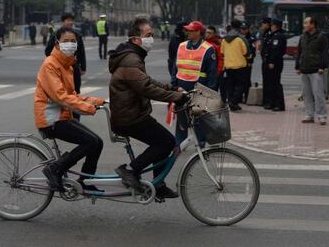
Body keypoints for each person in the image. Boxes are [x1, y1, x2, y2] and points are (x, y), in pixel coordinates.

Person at [109, 18, 188, 198]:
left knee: (163, 141)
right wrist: (177, 97)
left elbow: (146, 81)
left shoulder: (133, 56)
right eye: (148, 35)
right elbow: (146, 88)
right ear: (136, 39)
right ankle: (130, 170)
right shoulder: (131, 59)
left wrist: (171, 89)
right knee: (166, 141)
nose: (151, 39)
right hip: (129, 118)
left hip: (134, 114)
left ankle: (157, 184)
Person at [34, 26, 105, 192]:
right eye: (66, 41)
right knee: (90, 141)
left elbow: (73, 95)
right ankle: (55, 169)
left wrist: (99, 101)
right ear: (57, 43)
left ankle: (85, 181)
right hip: (50, 119)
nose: (70, 44)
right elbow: (60, 97)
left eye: (73, 41)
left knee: (98, 142)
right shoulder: (50, 65)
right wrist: (88, 108)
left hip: (62, 116)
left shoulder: (68, 65)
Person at [172, 21, 218, 146]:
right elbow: (175, 68)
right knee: (181, 117)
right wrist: (174, 85)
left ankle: (201, 142)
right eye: (187, 30)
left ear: (198, 32)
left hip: (199, 89)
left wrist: (209, 93)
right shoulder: (181, 46)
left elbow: (212, 73)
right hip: (181, 88)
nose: (188, 32)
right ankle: (180, 143)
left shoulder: (208, 49)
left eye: (191, 30)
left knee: (198, 117)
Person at [295, 16, 329, 125]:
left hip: (316, 69)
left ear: (313, 25)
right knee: (306, 94)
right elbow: (299, 52)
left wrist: (322, 67)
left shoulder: (321, 37)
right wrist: (297, 66)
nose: (304, 25)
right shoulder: (303, 37)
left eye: (306, 23)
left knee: (318, 94)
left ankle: (322, 115)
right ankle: (309, 115)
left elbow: (325, 53)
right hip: (304, 69)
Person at [45, 13, 87, 98]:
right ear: (63, 22)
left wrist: (83, 67)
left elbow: (81, 52)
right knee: (61, 90)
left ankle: (74, 109)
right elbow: (48, 50)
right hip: (60, 66)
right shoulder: (56, 35)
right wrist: (57, 58)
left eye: (72, 20)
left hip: (73, 65)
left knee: (75, 91)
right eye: (68, 20)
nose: (70, 22)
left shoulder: (77, 35)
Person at [221, 19, 249, 111]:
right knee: (242, 85)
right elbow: (246, 52)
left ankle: (233, 103)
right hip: (240, 66)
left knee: (231, 86)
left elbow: (222, 52)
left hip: (228, 66)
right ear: (240, 27)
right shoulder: (241, 39)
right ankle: (233, 101)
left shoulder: (224, 39)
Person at [262, 18, 287, 111]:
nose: (270, 27)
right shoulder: (272, 35)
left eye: (272, 25)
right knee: (271, 83)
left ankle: (279, 104)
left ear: (275, 26)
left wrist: (272, 61)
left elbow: (275, 50)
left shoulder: (278, 36)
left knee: (275, 83)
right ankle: (272, 102)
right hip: (270, 62)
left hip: (275, 63)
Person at [240, 21, 257, 103]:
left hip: (247, 62)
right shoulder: (238, 37)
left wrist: (250, 61)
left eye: (245, 29)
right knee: (239, 80)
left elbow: (253, 51)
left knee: (246, 80)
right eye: (242, 29)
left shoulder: (251, 38)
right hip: (239, 62)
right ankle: (239, 97)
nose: (243, 31)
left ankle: (246, 97)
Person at [205, 25, 224, 92]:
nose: (207, 34)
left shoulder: (216, 46)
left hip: (213, 73)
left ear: (214, 34)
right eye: (206, 32)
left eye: (209, 33)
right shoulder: (202, 43)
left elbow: (221, 60)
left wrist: (218, 72)